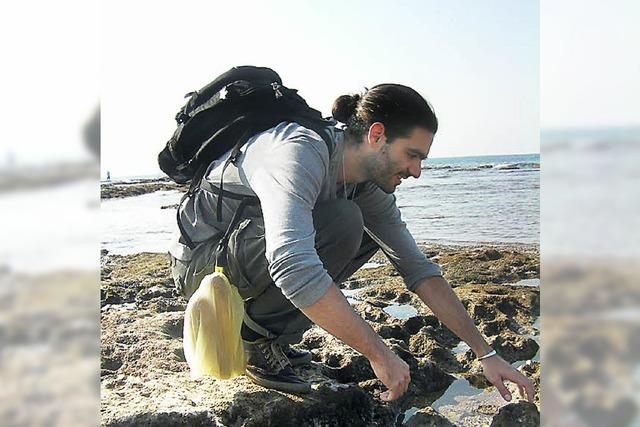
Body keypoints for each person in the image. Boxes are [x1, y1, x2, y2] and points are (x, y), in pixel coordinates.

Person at [169, 83, 534, 402]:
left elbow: (418, 269)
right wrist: (379, 354)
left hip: (244, 255)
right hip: (202, 267)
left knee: (357, 226)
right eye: (413, 155)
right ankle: (255, 338)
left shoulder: (366, 184)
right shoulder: (298, 151)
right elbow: (292, 264)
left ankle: (268, 334)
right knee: (343, 221)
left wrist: (486, 354)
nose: (417, 171)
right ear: (377, 135)